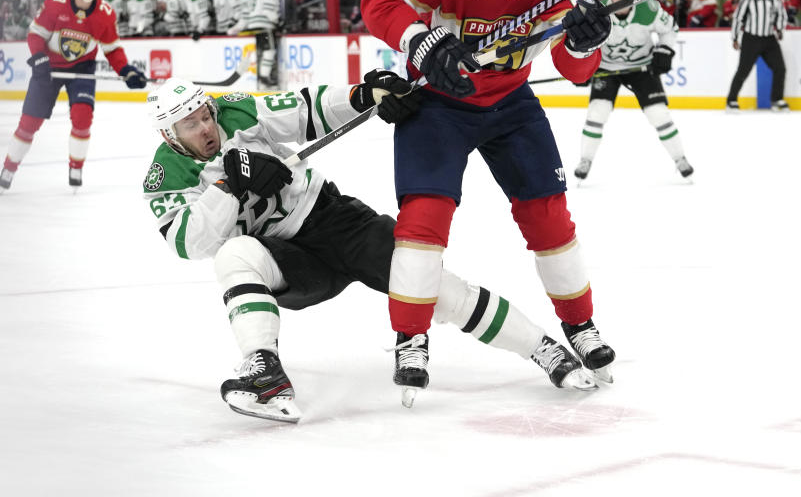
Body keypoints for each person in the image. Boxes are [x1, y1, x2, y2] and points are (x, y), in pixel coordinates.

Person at [143, 75, 595, 422]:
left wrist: (364, 95)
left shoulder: (235, 110)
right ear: (169, 135)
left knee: (428, 287)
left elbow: (303, 110)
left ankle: (544, 348)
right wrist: (228, 185)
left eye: (205, 115)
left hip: (336, 221)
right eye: (192, 124)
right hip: (290, 259)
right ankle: (264, 373)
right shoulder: (164, 178)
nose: (207, 127)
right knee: (232, 255)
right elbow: (189, 242)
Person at [360, 0, 617, 402]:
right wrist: (420, 41)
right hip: (435, 103)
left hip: (509, 101)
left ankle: (580, 324)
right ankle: (410, 336)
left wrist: (589, 40)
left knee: (549, 216)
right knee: (423, 219)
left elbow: (575, 69)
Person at [0, 0, 147, 192]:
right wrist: (39, 57)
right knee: (29, 123)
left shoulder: (105, 13)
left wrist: (126, 71)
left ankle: (76, 166)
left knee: (82, 117)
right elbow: (36, 34)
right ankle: (9, 166)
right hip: (48, 67)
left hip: (81, 69)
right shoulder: (56, 3)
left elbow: (112, 50)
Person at [574, 0, 694, 182]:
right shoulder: (597, 12)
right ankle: (585, 159)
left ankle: (680, 158)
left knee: (659, 114)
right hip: (607, 69)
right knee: (597, 112)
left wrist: (664, 51)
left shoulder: (648, 8)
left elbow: (670, 29)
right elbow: (582, 41)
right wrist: (581, 66)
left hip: (642, 68)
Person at [727, 0, 789, 111]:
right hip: (751, 39)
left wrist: (779, 29)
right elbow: (738, 18)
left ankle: (777, 99)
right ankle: (731, 100)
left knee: (780, 69)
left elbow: (781, 15)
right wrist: (735, 37)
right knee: (743, 71)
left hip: (769, 39)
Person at [229, 0, 280, 87]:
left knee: (258, 53)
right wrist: (277, 21)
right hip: (264, 25)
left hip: (251, 26)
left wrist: (234, 30)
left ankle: (258, 78)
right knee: (269, 51)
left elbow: (245, 16)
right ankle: (264, 77)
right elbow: (269, 9)